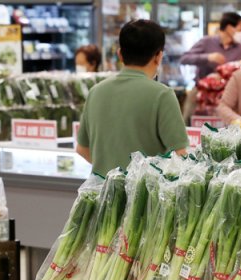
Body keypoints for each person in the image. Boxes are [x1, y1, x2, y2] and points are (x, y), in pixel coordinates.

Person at [77, 20, 189, 176]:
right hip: (144, 198)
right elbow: (180, 154)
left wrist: (113, 174)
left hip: (101, 196)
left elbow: (82, 149)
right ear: (158, 56)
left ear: (120, 55)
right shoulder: (162, 94)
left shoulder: (96, 91)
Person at [180, 12, 241, 81]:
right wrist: (208, 57)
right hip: (204, 88)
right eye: (240, 28)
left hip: (230, 89)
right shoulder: (207, 42)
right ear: (229, 28)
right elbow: (184, 59)